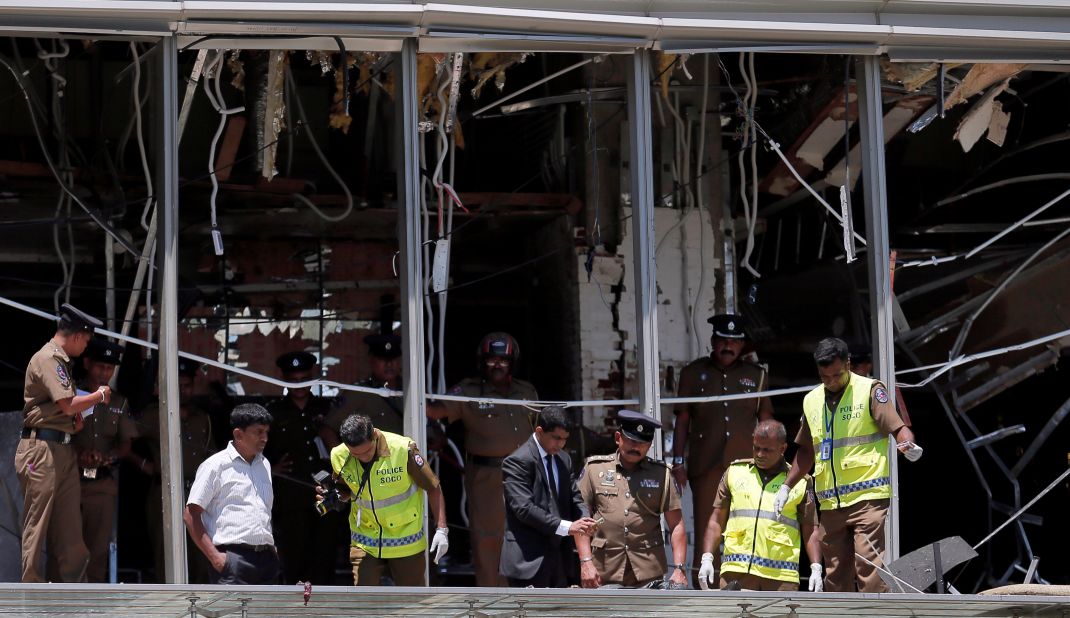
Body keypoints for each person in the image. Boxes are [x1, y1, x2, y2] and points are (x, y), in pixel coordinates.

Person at [775, 337, 922, 593]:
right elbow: (807, 450)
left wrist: (908, 445)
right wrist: (786, 486)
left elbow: (898, 428)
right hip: (831, 503)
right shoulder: (811, 401)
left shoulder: (870, 390)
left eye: (837, 375)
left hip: (868, 498)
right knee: (836, 577)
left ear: (849, 364)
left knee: (868, 569)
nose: (831, 382)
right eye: (825, 377)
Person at [427, 331, 538, 587]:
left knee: (525, 535)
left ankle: (524, 599)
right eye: (491, 360)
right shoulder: (467, 391)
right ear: (482, 362)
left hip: (525, 475)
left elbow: (541, 427)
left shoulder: (527, 391)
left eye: (503, 360)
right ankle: (492, 601)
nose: (497, 365)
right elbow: (434, 411)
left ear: (513, 363)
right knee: (489, 539)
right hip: (487, 478)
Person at [672, 313, 773, 579]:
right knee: (708, 527)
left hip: (747, 467)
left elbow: (766, 423)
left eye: (734, 342)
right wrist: (678, 461)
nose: (728, 346)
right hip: (707, 465)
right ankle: (706, 587)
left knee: (748, 526)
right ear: (713, 341)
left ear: (742, 345)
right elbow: (682, 420)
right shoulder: (693, 373)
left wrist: (771, 464)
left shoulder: (757, 375)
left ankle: (745, 584)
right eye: (723, 340)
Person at [15, 304, 109, 583]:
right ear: (78, 335)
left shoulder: (62, 362)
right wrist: (99, 396)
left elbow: (65, 412)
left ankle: (74, 593)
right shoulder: (48, 358)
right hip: (40, 451)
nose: (86, 346)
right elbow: (68, 404)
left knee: (70, 527)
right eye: (87, 340)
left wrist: (74, 422)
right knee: (38, 521)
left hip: (63, 448)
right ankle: (30, 592)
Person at [696, 419, 822, 592]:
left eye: (767, 450)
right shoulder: (735, 472)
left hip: (780, 579)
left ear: (783, 449)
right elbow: (716, 520)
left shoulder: (800, 482)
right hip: (735, 574)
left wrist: (816, 568)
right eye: (756, 448)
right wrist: (707, 558)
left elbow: (810, 530)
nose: (760, 454)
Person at [323, 414, 449, 586]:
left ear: (375, 434)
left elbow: (433, 487)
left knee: (411, 602)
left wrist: (442, 530)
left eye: (367, 451)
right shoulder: (339, 455)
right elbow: (347, 489)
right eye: (356, 454)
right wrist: (334, 495)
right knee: (364, 601)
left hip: (406, 540)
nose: (363, 457)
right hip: (365, 540)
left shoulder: (403, 449)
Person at [576, 410, 687, 589]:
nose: (636, 447)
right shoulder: (594, 469)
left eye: (642, 443)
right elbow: (581, 521)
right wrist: (586, 562)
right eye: (631, 440)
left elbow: (676, 525)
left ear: (650, 445)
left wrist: (679, 568)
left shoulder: (662, 474)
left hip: (649, 573)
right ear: (618, 437)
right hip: (604, 571)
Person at [265, 350, 344, 584]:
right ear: (285, 380)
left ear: (313, 377)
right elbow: (257, 449)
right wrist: (272, 468)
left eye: (304, 379)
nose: (299, 385)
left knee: (324, 554)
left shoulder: (329, 408)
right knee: (293, 556)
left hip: (326, 493)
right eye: (293, 380)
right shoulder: (274, 411)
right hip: (291, 497)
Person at [183, 403, 279, 585]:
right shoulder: (215, 465)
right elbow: (190, 514)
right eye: (258, 432)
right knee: (233, 613)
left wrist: (272, 550)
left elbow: (264, 509)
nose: (265, 438)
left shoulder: (264, 464)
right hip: (233, 559)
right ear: (238, 434)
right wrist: (216, 558)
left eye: (266, 432)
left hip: (267, 559)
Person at [139, 358, 216, 582]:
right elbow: (124, 438)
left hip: (197, 495)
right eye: (177, 386)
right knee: (166, 555)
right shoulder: (154, 415)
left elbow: (212, 457)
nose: (182, 391)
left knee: (200, 557)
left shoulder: (203, 418)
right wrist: (143, 464)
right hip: (165, 492)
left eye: (186, 385)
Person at [500, 407, 595, 587]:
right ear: (540, 431)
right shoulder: (518, 461)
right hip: (528, 559)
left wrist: (584, 520)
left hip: (559, 558)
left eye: (565, 439)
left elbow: (574, 496)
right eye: (556, 438)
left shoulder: (563, 459)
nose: (561, 444)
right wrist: (568, 527)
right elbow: (524, 509)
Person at [71, 339, 137, 583]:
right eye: (100, 367)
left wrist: (107, 457)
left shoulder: (119, 402)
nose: (104, 374)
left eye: (109, 369)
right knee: (68, 547)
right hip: (71, 482)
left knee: (97, 550)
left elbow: (126, 444)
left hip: (102, 484)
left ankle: (92, 606)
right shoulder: (71, 395)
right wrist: (78, 456)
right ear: (87, 364)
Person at [335, 333, 405, 435]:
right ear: (371, 360)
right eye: (383, 359)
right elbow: (328, 430)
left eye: (393, 358)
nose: (389, 364)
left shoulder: (411, 390)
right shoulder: (358, 393)